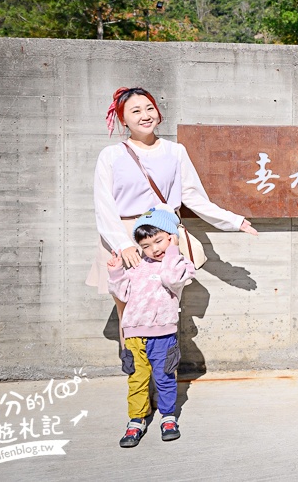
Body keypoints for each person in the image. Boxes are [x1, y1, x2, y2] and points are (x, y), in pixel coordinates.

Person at [87, 86, 258, 345]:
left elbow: (192, 196)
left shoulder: (175, 151)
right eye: (135, 111)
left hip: (164, 237)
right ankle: (135, 368)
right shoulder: (111, 155)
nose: (145, 115)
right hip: (123, 236)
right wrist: (122, 246)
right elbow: (104, 205)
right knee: (128, 309)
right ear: (123, 118)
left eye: (149, 108)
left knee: (165, 307)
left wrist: (234, 221)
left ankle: (165, 371)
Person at [109, 205, 192, 446]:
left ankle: (168, 417)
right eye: (146, 245)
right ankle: (136, 420)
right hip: (135, 336)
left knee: (165, 378)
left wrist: (174, 249)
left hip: (163, 336)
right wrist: (115, 272)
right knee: (137, 380)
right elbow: (122, 293)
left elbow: (171, 279)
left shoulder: (181, 265)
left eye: (159, 241)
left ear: (171, 236)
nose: (154, 249)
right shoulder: (136, 266)